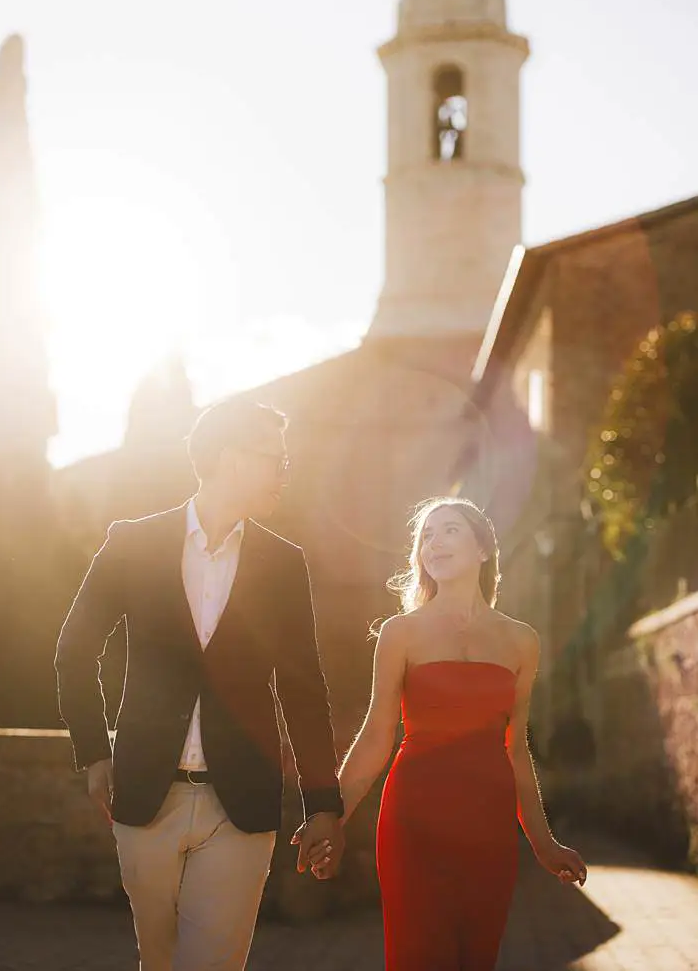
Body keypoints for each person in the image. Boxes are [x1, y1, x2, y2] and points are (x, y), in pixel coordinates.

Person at [54, 399, 344, 971]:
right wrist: (92, 752)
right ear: (233, 459)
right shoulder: (133, 543)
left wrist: (323, 804)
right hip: (145, 796)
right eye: (275, 460)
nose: (285, 473)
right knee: (158, 962)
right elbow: (74, 649)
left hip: (240, 805)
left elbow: (303, 688)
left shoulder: (284, 564)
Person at [327, 497, 587, 970]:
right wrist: (332, 815)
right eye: (426, 535)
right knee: (417, 956)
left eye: (449, 530)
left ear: (483, 549)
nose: (433, 542)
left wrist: (543, 842)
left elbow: (516, 750)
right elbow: (376, 735)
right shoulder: (399, 633)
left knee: (476, 957)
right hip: (414, 819)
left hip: (488, 825)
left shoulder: (521, 640)